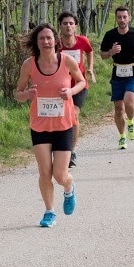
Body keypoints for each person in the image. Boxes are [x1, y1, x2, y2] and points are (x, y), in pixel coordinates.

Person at [14, 23, 86, 228]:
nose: (46, 42)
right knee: (45, 173)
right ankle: (49, 211)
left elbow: (81, 82)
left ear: (56, 41)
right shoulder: (29, 64)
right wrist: (26, 94)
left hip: (63, 125)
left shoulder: (67, 61)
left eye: (49, 38)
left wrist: (70, 92)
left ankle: (69, 187)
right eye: (41, 39)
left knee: (60, 175)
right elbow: (17, 93)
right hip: (40, 126)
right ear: (36, 43)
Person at [100, 6, 134, 150]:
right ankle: (122, 136)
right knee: (118, 109)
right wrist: (111, 52)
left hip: (133, 71)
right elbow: (102, 55)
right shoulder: (110, 35)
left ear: (129, 18)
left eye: (124, 17)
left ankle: (131, 121)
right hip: (117, 72)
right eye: (119, 17)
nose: (122, 20)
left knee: (129, 100)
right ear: (116, 18)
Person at [57, 11, 95, 169]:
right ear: (60, 26)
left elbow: (90, 51)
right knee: (61, 118)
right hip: (62, 87)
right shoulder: (56, 44)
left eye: (71, 23)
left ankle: (71, 151)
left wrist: (90, 69)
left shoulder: (82, 41)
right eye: (65, 23)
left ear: (75, 26)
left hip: (79, 85)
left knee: (73, 114)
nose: (68, 26)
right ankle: (60, 148)